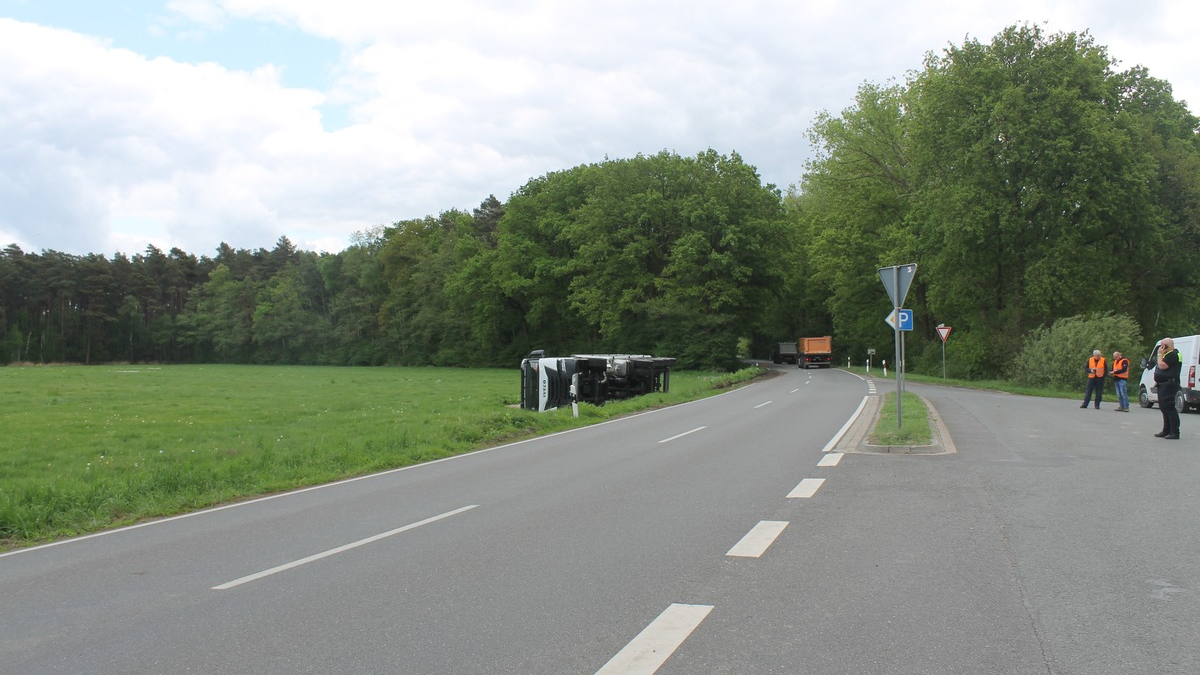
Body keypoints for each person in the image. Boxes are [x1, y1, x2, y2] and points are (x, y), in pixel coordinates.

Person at [1154, 338, 1182, 439]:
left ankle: (1174, 431)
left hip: (1169, 384)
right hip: (1163, 384)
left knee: (1169, 407)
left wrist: (1159, 354)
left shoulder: (1173, 354)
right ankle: (1166, 430)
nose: (1161, 348)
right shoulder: (1168, 354)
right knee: (1163, 407)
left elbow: (1162, 366)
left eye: (1162, 346)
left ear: (1165, 346)